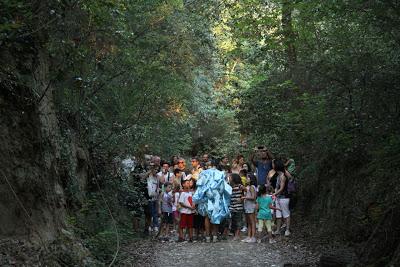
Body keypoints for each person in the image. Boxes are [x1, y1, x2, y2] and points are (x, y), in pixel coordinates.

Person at [272, 159, 291, 236]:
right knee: (278, 214)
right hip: (278, 197)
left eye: (273, 164)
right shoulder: (278, 175)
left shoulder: (283, 176)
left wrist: (274, 194)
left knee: (286, 214)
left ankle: (287, 230)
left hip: (284, 197)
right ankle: (278, 230)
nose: (272, 165)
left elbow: (282, 188)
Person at [241, 173, 257, 243]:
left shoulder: (252, 187)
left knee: (252, 222)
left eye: (248, 178)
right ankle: (249, 236)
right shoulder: (248, 187)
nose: (247, 179)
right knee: (249, 222)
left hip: (251, 206)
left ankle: (253, 237)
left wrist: (244, 197)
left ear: (251, 179)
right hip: (247, 206)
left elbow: (253, 197)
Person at [145, 164, 160, 233]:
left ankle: (155, 226)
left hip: (155, 197)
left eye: (157, 170)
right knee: (150, 213)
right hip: (149, 197)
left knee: (155, 212)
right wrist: (150, 171)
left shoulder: (157, 178)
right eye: (155, 169)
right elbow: (143, 177)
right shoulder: (149, 176)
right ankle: (150, 226)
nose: (156, 171)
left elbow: (158, 187)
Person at [230, 173, 244, 241]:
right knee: (234, 221)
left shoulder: (239, 186)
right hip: (232, 207)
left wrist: (242, 198)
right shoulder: (230, 186)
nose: (229, 179)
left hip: (238, 207)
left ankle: (237, 235)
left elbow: (247, 191)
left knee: (238, 221)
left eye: (230, 177)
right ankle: (236, 234)